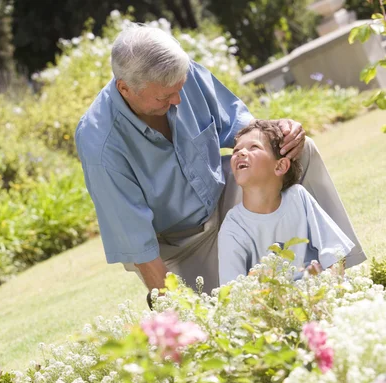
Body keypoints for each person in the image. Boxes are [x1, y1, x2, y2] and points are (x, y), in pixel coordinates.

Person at [75, 24, 365, 301]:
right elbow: (138, 245)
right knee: (226, 318)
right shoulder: (99, 142)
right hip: (182, 246)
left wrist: (282, 134)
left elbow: (245, 129)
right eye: (164, 96)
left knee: (296, 151)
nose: (178, 99)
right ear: (125, 89)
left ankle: (344, 279)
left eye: (180, 87)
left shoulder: (181, 75)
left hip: (228, 198)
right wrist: (179, 311)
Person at [218, 120, 355, 286]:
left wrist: (337, 289)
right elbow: (233, 289)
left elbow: (334, 252)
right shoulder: (233, 225)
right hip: (273, 307)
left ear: (280, 166)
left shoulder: (298, 197)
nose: (240, 153)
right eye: (236, 150)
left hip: (319, 295)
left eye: (254, 147)